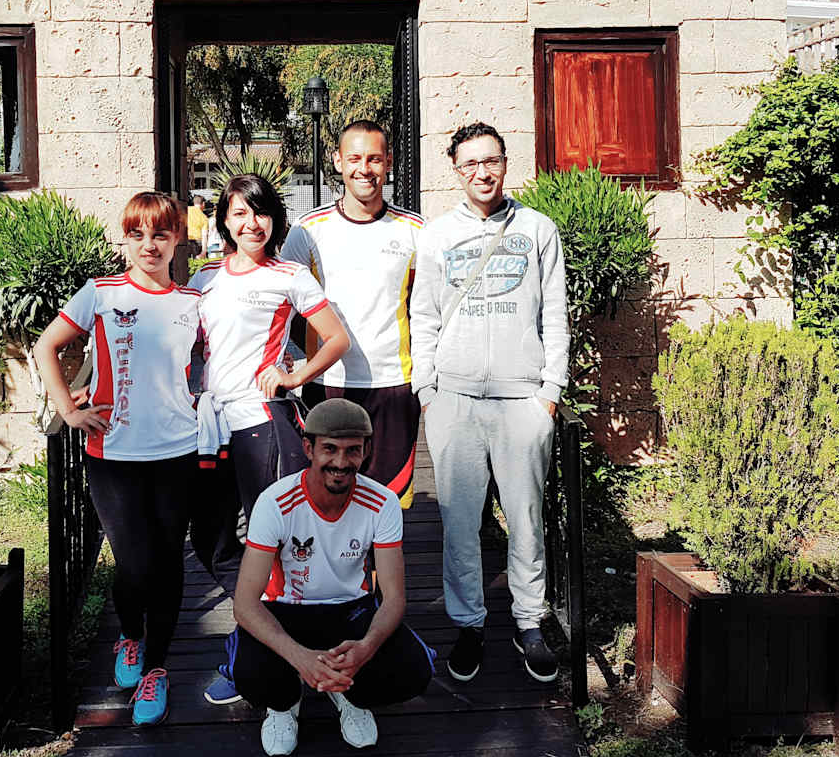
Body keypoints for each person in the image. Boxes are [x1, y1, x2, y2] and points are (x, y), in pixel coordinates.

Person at [33, 191, 202, 726]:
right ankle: (129, 634)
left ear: (177, 240)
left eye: (160, 234)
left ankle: (156, 668)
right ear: (125, 240)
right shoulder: (101, 293)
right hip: (113, 452)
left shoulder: (192, 301)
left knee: (168, 563)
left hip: (178, 450)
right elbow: (46, 346)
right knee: (132, 562)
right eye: (138, 234)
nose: (149, 245)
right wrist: (68, 408)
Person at [409, 122, 569, 685]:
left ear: (505, 162)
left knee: (526, 519)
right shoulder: (437, 235)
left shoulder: (538, 229)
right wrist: (427, 391)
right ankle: (469, 624)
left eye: (491, 160)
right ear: (456, 171)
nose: (483, 172)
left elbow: (555, 314)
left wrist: (550, 392)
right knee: (459, 524)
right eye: (471, 163)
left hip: (522, 399)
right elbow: (423, 316)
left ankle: (529, 621)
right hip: (454, 400)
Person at [188, 173, 352, 704]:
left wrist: (294, 374)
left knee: (278, 545)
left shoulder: (290, 275)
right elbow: (181, 345)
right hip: (211, 427)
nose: (250, 223)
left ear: (275, 220)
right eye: (239, 213)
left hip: (263, 423)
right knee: (211, 540)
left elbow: (336, 339)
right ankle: (275, 639)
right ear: (224, 221)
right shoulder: (203, 278)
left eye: (260, 212)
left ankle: (266, 662)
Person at [232, 399, 434, 756]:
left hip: (349, 610)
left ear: (366, 451)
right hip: (286, 610)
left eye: (352, 450)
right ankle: (284, 704)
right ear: (308, 448)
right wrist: (299, 657)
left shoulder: (383, 502)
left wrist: (365, 649)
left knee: (413, 671)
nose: (341, 462)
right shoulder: (275, 502)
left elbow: (394, 597)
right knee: (251, 676)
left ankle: (348, 692)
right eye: (329, 449)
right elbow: (245, 604)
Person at [281, 120, 425, 508]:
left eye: (375, 159)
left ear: (389, 162)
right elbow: (284, 304)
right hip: (327, 382)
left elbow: (426, 308)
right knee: (328, 498)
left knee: (389, 501)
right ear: (338, 161)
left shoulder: (414, 229)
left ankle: (384, 553)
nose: (365, 169)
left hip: (393, 383)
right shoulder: (308, 230)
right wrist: (291, 361)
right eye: (355, 158)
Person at [187, 191, 212, 258]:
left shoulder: (186, 210)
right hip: (197, 242)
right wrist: (204, 252)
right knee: (196, 261)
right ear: (203, 204)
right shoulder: (204, 217)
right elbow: (204, 235)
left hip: (185, 240)